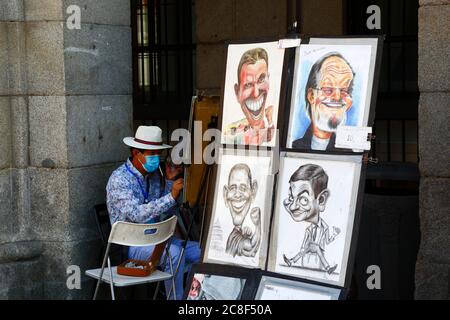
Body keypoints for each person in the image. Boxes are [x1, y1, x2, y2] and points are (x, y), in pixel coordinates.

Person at [106, 125, 200, 300]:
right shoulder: (119, 179)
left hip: (156, 239)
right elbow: (137, 215)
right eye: (152, 154)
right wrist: (170, 196)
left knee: (200, 252)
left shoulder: (154, 176)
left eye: (158, 154)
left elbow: (165, 210)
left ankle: (192, 295)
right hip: (131, 244)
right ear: (136, 153)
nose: (156, 159)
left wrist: (170, 182)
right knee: (174, 254)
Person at [281, 164, 340, 274]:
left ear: (321, 200)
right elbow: (305, 240)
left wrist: (334, 235)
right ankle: (292, 261)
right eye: (291, 197)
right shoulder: (308, 227)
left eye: (303, 199)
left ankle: (327, 268)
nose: (293, 206)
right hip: (308, 252)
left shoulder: (325, 226)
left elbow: (327, 241)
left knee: (316, 249)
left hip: (317, 251)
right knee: (305, 250)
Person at [292, 53, 355, 151]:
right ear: (311, 95)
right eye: (328, 89)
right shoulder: (294, 146)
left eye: (343, 90)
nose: (337, 97)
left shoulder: (347, 151)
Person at [224, 47, 275, 145]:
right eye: (248, 84)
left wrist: (270, 121)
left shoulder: (270, 123)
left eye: (261, 80)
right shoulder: (230, 134)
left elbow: (270, 137)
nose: (255, 94)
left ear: (268, 79)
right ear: (237, 92)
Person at [223, 164, 261, 258]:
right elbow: (251, 245)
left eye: (243, 188)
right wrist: (258, 225)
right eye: (232, 188)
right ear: (225, 194)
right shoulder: (233, 235)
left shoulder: (238, 233)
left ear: (253, 192)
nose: (237, 195)